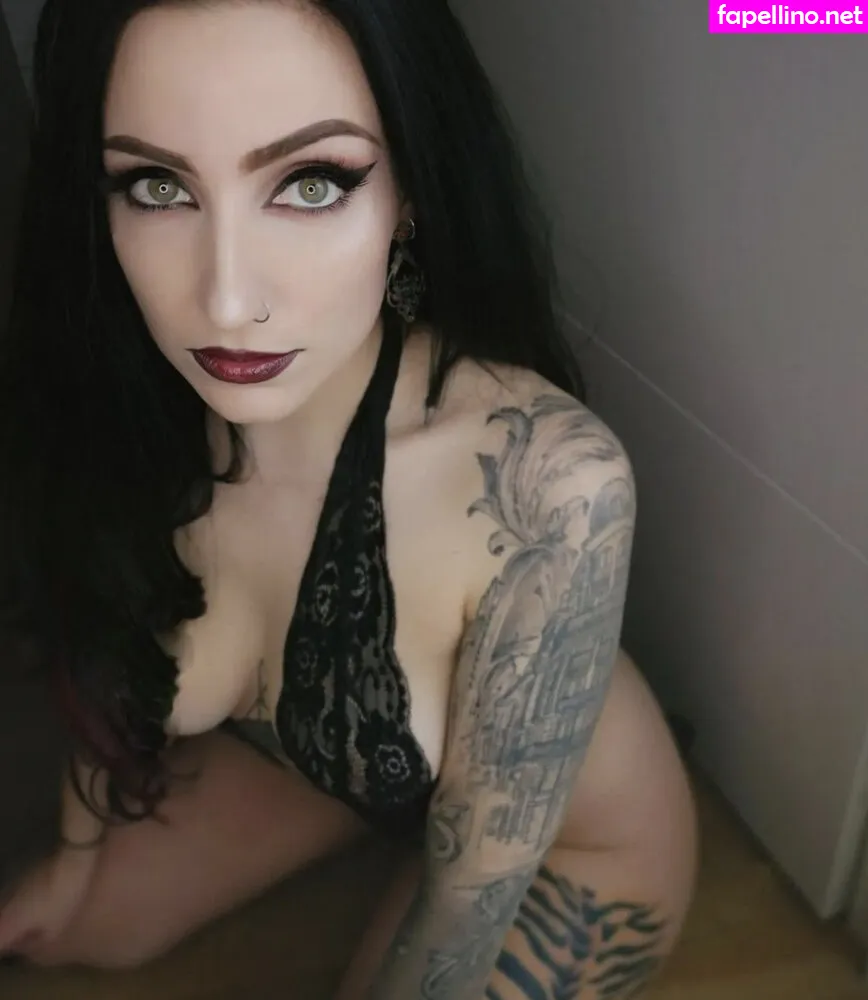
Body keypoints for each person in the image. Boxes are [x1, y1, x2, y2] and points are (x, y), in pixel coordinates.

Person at [0, 0, 698, 997]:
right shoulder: (131, 398)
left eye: (311, 183)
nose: (227, 300)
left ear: (408, 189)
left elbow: (465, 908)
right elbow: (106, 660)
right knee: (81, 933)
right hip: (321, 779)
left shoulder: (550, 486)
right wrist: (76, 868)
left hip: (565, 857)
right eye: (158, 186)